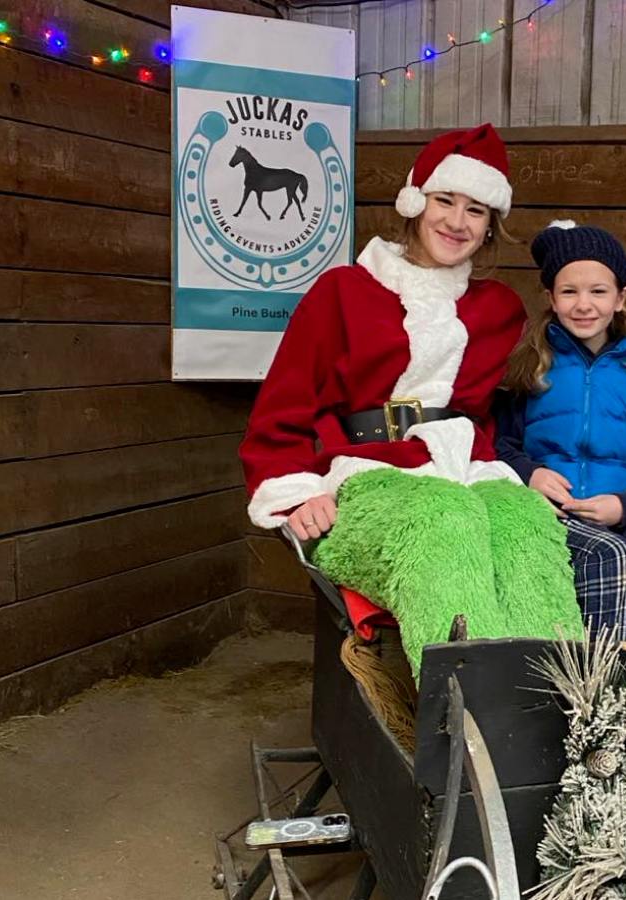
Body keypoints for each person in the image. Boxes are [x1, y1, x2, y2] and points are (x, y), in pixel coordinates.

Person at [239, 125, 582, 673]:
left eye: (475, 210)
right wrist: (297, 493)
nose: (456, 221)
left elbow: (517, 398)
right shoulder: (342, 292)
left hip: (460, 469)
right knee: (441, 519)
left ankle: (561, 709)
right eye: (445, 200)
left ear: (490, 225)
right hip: (355, 480)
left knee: (525, 522)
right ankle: (471, 721)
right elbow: (282, 408)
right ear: (415, 203)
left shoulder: (498, 310)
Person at [495, 221, 626, 641]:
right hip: (555, 514)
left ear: (621, 298)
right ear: (551, 298)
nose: (583, 304)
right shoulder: (528, 368)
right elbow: (498, 446)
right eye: (569, 291)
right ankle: (597, 688)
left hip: (624, 510)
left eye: (598, 291)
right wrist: (529, 475)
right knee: (613, 557)